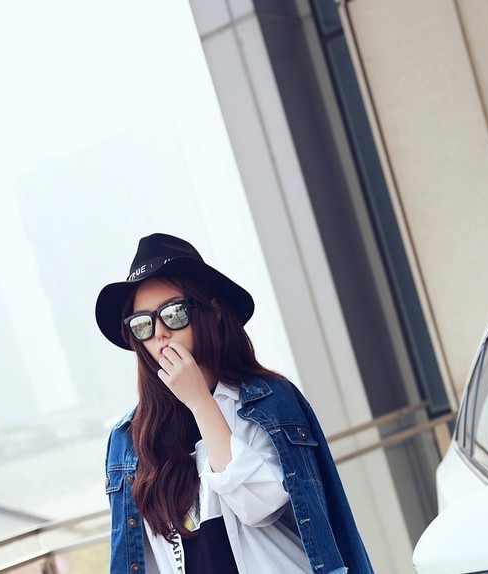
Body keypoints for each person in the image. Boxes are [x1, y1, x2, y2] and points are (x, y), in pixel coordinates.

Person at [96, 233, 374, 574]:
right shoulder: (130, 440)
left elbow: (259, 505)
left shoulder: (270, 402)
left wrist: (200, 402)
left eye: (174, 313)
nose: (160, 333)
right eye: (143, 323)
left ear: (212, 311)